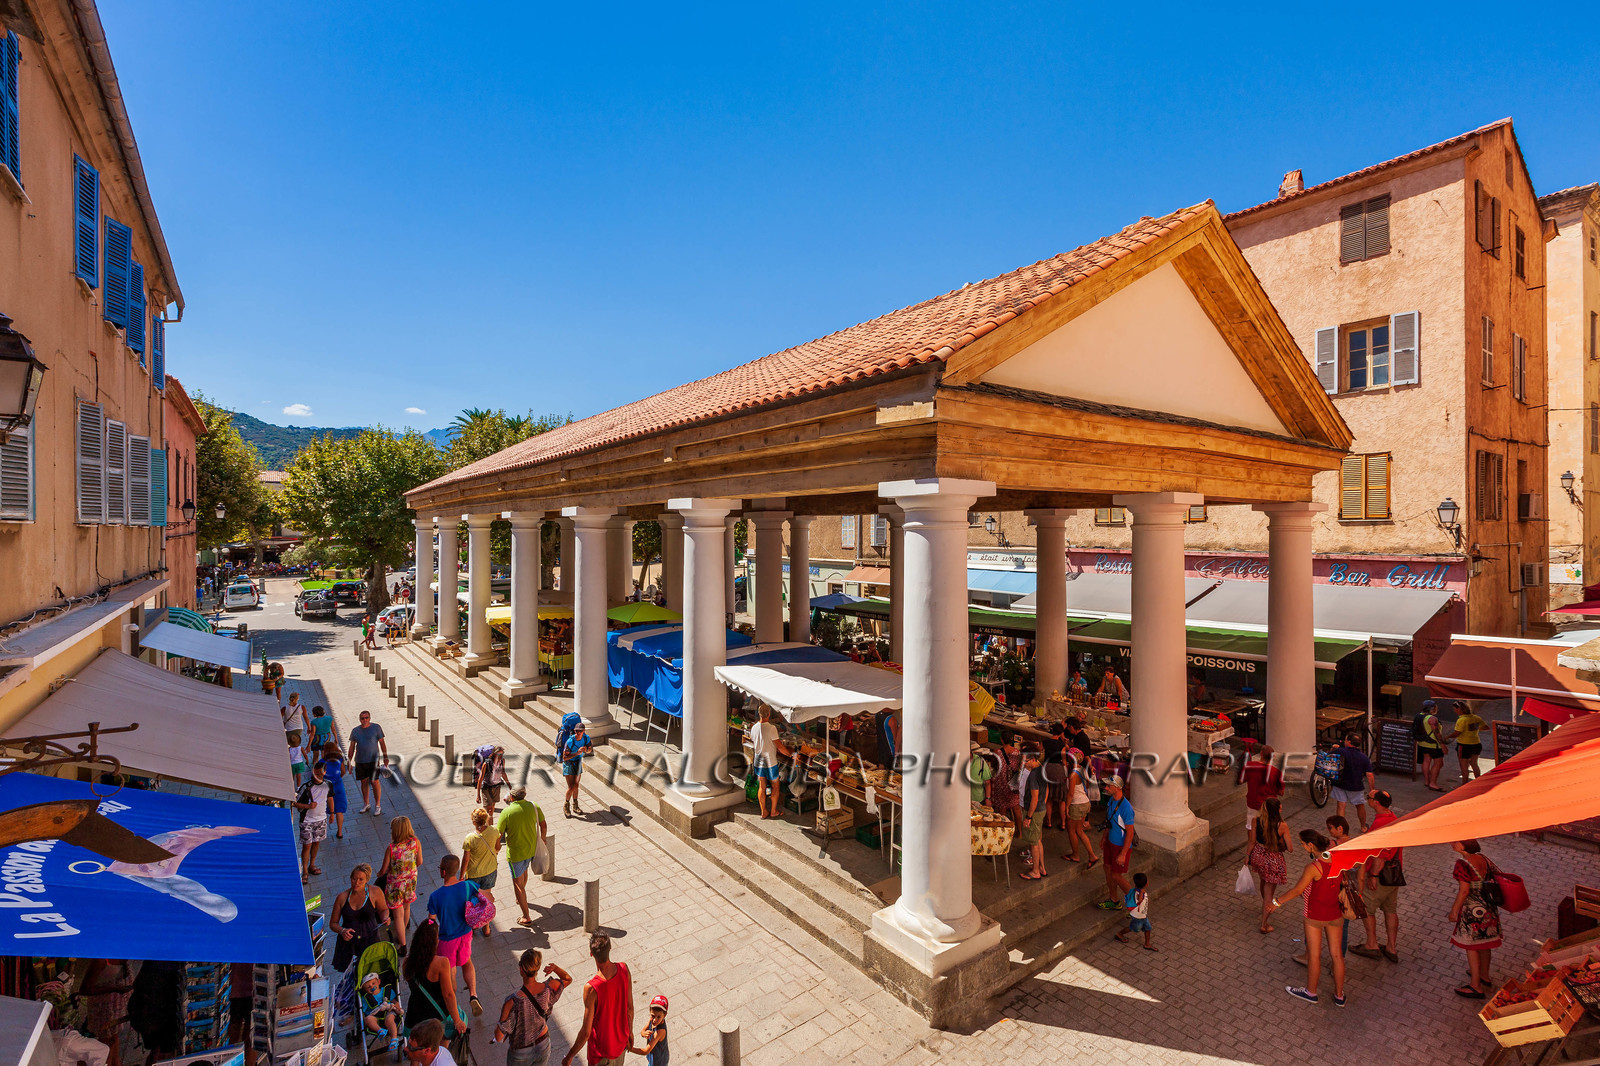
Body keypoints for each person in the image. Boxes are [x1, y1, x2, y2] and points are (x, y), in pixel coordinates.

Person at [1270, 829, 1347, 1007]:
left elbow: (1297, 890)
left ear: (1311, 845)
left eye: (1303, 844)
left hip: (1314, 915)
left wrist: (1277, 902)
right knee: (1337, 955)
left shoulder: (1313, 867)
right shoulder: (1337, 860)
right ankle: (1339, 995)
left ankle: (1311, 992)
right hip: (1335, 914)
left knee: (1314, 955)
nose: (1302, 847)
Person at [562, 932, 632, 1066]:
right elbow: (629, 1008)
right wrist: (630, 1032)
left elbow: (586, 1032)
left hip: (601, 1054)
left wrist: (569, 1056)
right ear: (610, 948)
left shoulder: (592, 988)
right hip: (620, 1046)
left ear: (591, 954)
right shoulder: (624, 969)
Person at [493, 949, 572, 1066]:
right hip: (543, 1044)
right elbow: (567, 979)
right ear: (538, 968)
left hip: (520, 1052)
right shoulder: (548, 989)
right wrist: (555, 968)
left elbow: (499, 1037)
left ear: (521, 970)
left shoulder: (512, 1002)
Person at [426, 855, 483, 1017]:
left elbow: (431, 922)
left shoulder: (435, 896)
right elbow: (485, 898)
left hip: (446, 939)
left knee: (450, 972)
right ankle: (473, 994)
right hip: (465, 934)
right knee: (467, 963)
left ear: (443, 871)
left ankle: (453, 1005)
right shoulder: (467, 886)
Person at [1352, 789, 1404, 963]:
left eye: (1370, 798)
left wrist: (1373, 875)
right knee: (1390, 910)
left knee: (1367, 908)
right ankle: (1391, 947)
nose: (1368, 799)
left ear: (1376, 803)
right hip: (1394, 875)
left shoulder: (1381, 825)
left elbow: (1380, 855)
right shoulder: (1393, 818)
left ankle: (1372, 944)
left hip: (1380, 876)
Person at [1449, 839, 1502, 998]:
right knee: (1485, 943)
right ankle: (1484, 975)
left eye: (1456, 841)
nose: (1452, 843)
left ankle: (1475, 985)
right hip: (1488, 906)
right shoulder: (1483, 858)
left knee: (1471, 945)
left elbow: (1464, 891)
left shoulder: (1463, 864)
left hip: (1472, 910)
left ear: (1464, 845)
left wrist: (1454, 910)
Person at [403, 921, 467, 1037]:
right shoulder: (441, 963)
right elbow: (448, 994)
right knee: (460, 1020)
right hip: (436, 1016)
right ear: (434, 942)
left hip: (415, 1015)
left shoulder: (407, 962)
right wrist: (457, 1021)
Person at [496, 788, 548, 928]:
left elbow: (498, 834)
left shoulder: (506, 812)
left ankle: (526, 916)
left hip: (515, 854)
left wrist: (496, 849)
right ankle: (521, 899)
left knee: (517, 885)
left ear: (511, 797)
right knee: (524, 872)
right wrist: (543, 838)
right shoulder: (533, 806)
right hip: (531, 850)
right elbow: (543, 824)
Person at [330, 862, 390, 973]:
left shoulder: (375, 892)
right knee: (350, 977)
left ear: (367, 880)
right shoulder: (342, 898)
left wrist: (385, 917)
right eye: (354, 878)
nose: (356, 883)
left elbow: (383, 910)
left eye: (361, 880)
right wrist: (342, 931)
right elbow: (333, 923)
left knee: (371, 973)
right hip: (349, 944)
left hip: (370, 939)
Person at [376, 815, 422, 955]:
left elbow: (384, 869)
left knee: (397, 913)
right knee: (407, 906)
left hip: (395, 884)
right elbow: (419, 861)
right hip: (411, 880)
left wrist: (379, 874)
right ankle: (404, 929)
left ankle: (403, 945)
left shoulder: (392, 848)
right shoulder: (415, 842)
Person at [1247, 796, 1291, 933]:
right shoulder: (1282, 825)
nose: (1282, 808)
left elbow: (1252, 841)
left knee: (1263, 880)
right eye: (1280, 806)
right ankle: (1264, 924)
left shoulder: (1256, 820)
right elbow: (1290, 848)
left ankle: (1264, 906)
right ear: (1277, 810)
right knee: (1269, 893)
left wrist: (1247, 856)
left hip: (1258, 855)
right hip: (1273, 859)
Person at [461, 807, 501, 937]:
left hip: (474, 874)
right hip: (490, 870)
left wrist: (461, 876)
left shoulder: (470, 838)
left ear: (474, 822)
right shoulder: (494, 831)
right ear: (485, 819)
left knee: (473, 900)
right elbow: (497, 847)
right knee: (486, 899)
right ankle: (487, 928)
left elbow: (466, 859)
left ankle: (473, 925)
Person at [1097, 778, 1134, 909]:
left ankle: (1136, 905)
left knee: (1116, 876)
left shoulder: (1126, 808)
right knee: (1107, 868)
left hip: (1120, 846)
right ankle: (1114, 900)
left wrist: (1123, 854)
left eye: (1109, 786)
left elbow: (1130, 833)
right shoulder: (1112, 801)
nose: (1106, 788)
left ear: (1117, 787)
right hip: (1110, 843)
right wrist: (1104, 838)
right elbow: (1109, 821)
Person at [1060, 748, 1099, 868]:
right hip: (1085, 802)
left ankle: (1075, 855)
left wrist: (1066, 807)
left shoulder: (1073, 775)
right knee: (1079, 831)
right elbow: (1086, 784)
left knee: (1071, 830)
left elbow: (1070, 793)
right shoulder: (1081, 769)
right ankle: (1092, 855)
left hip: (1076, 804)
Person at [749, 707, 790, 820]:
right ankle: (773, 811)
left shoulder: (754, 727)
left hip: (758, 760)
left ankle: (763, 812)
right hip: (770, 761)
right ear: (769, 714)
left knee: (762, 786)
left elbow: (755, 741)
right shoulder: (771, 728)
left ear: (759, 714)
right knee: (775, 785)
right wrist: (790, 754)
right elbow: (780, 747)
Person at [1239, 743, 1283, 845]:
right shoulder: (1276, 772)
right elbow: (1281, 792)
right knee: (1269, 827)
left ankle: (1251, 847)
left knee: (1250, 826)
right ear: (1273, 757)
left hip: (1253, 803)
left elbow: (1241, 780)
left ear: (1261, 754)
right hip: (1269, 806)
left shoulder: (1250, 766)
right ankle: (1269, 847)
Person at [294, 761, 331, 882]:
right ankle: (304, 870)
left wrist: (333, 813)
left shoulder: (328, 785)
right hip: (307, 821)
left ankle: (312, 865)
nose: (316, 775)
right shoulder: (307, 787)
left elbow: (330, 798)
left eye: (319, 773)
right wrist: (308, 806)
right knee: (307, 845)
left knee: (316, 842)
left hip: (321, 819)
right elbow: (295, 803)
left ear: (324, 772)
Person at [1330, 733, 1375, 831]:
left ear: (1349, 742)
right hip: (1356, 785)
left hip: (1340, 783)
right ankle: (1363, 826)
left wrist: (1333, 749)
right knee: (1359, 805)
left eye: (1345, 739)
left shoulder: (1340, 751)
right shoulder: (1363, 757)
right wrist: (1372, 790)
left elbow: (1329, 757)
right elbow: (1369, 775)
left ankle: (1341, 829)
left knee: (1341, 805)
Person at [348, 711, 389, 815]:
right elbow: (352, 747)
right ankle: (366, 803)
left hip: (373, 760)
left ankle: (377, 805)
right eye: (362, 718)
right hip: (360, 760)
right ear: (359, 719)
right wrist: (349, 761)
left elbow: (382, 743)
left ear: (369, 718)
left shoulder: (376, 728)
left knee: (375, 782)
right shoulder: (355, 731)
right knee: (363, 782)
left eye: (366, 718)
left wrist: (385, 757)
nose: (364, 720)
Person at [1016, 749, 1048, 880]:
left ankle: (1035, 871)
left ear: (1033, 760)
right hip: (1041, 809)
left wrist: (1028, 817)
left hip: (1034, 811)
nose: (1023, 763)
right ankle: (1041, 867)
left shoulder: (1033, 775)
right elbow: (1045, 791)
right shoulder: (1042, 769)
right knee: (1037, 840)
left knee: (1034, 842)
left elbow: (1034, 798)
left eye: (1025, 761)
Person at [359, 971, 404, 1054]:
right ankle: (380, 1030)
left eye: (373, 983)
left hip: (389, 1011)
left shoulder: (387, 990)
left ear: (379, 982)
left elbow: (394, 1001)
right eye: (368, 987)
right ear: (365, 990)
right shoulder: (365, 998)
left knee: (389, 1019)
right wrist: (367, 1018)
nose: (372, 986)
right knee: (368, 1019)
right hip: (375, 1014)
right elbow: (366, 1012)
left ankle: (394, 1039)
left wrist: (398, 1009)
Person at [559, 721, 594, 818]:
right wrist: (576, 753)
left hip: (577, 763)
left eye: (580, 731)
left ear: (584, 731)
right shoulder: (570, 741)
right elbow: (564, 758)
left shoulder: (586, 738)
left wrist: (585, 750)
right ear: (574, 731)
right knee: (571, 787)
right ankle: (566, 806)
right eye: (576, 731)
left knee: (576, 785)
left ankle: (575, 805)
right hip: (569, 763)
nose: (578, 733)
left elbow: (590, 749)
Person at [1447, 701, 1488, 783]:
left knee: (1463, 765)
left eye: (1455, 709)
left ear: (1459, 709)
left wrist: (1447, 736)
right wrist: (1473, 729)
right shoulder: (1476, 718)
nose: (1454, 711)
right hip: (1476, 744)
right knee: (1474, 764)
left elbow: (1456, 733)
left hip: (1464, 745)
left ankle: (1464, 784)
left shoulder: (1461, 720)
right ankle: (1477, 782)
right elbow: (1485, 727)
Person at [986, 735, 1022, 829]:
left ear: (1002, 739)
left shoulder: (997, 752)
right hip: (1013, 783)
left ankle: (1002, 831)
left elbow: (994, 766)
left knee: (1002, 809)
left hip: (1001, 783)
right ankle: (1020, 832)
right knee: (1016, 808)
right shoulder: (1016, 752)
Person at [1114, 871, 1155, 950]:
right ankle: (1119, 934)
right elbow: (1139, 900)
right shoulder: (1139, 894)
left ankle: (1147, 944)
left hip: (1142, 916)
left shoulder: (1137, 891)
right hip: (1138, 917)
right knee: (1132, 928)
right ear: (1147, 884)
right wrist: (1142, 892)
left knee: (1148, 928)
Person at [1040, 722, 1068, 830]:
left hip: (1046, 769)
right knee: (1061, 799)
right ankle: (1063, 823)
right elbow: (1064, 760)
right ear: (1061, 733)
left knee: (1049, 798)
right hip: (1057, 770)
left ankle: (1049, 822)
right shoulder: (1061, 745)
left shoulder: (1045, 742)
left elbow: (1039, 753)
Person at [1414, 699, 1446, 791]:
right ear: (1432, 708)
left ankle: (1427, 781)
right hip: (1433, 744)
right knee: (1438, 763)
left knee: (1426, 761)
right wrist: (1443, 745)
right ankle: (1433, 783)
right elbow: (1437, 733)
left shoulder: (1418, 716)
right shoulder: (1432, 719)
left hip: (1422, 743)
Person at [319, 742, 349, 840]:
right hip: (338, 786)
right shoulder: (339, 759)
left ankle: (323, 830)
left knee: (324, 809)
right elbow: (343, 772)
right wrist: (337, 778)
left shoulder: (322, 761)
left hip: (326, 787)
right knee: (339, 810)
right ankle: (339, 832)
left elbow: (319, 775)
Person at [630, 995, 669, 1066]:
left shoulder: (659, 1032)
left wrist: (630, 1048)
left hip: (659, 1062)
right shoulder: (652, 1020)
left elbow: (646, 1051)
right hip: (654, 1054)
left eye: (658, 1017)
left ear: (665, 1015)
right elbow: (643, 1031)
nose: (654, 1020)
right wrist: (644, 1033)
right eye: (653, 1016)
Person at [476, 746, 510, 814]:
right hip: (487, 787)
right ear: (494, 754)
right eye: (499, 754)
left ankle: (489, 821)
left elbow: (503, 773)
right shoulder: (486, 764)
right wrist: (478, 795)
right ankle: (485, 821)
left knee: (492, 806)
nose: (501, 756)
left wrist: (509, 785)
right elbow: (480, 779)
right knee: (489, 808)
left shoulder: (502, 761)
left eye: (502, 754)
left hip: (497, 786)